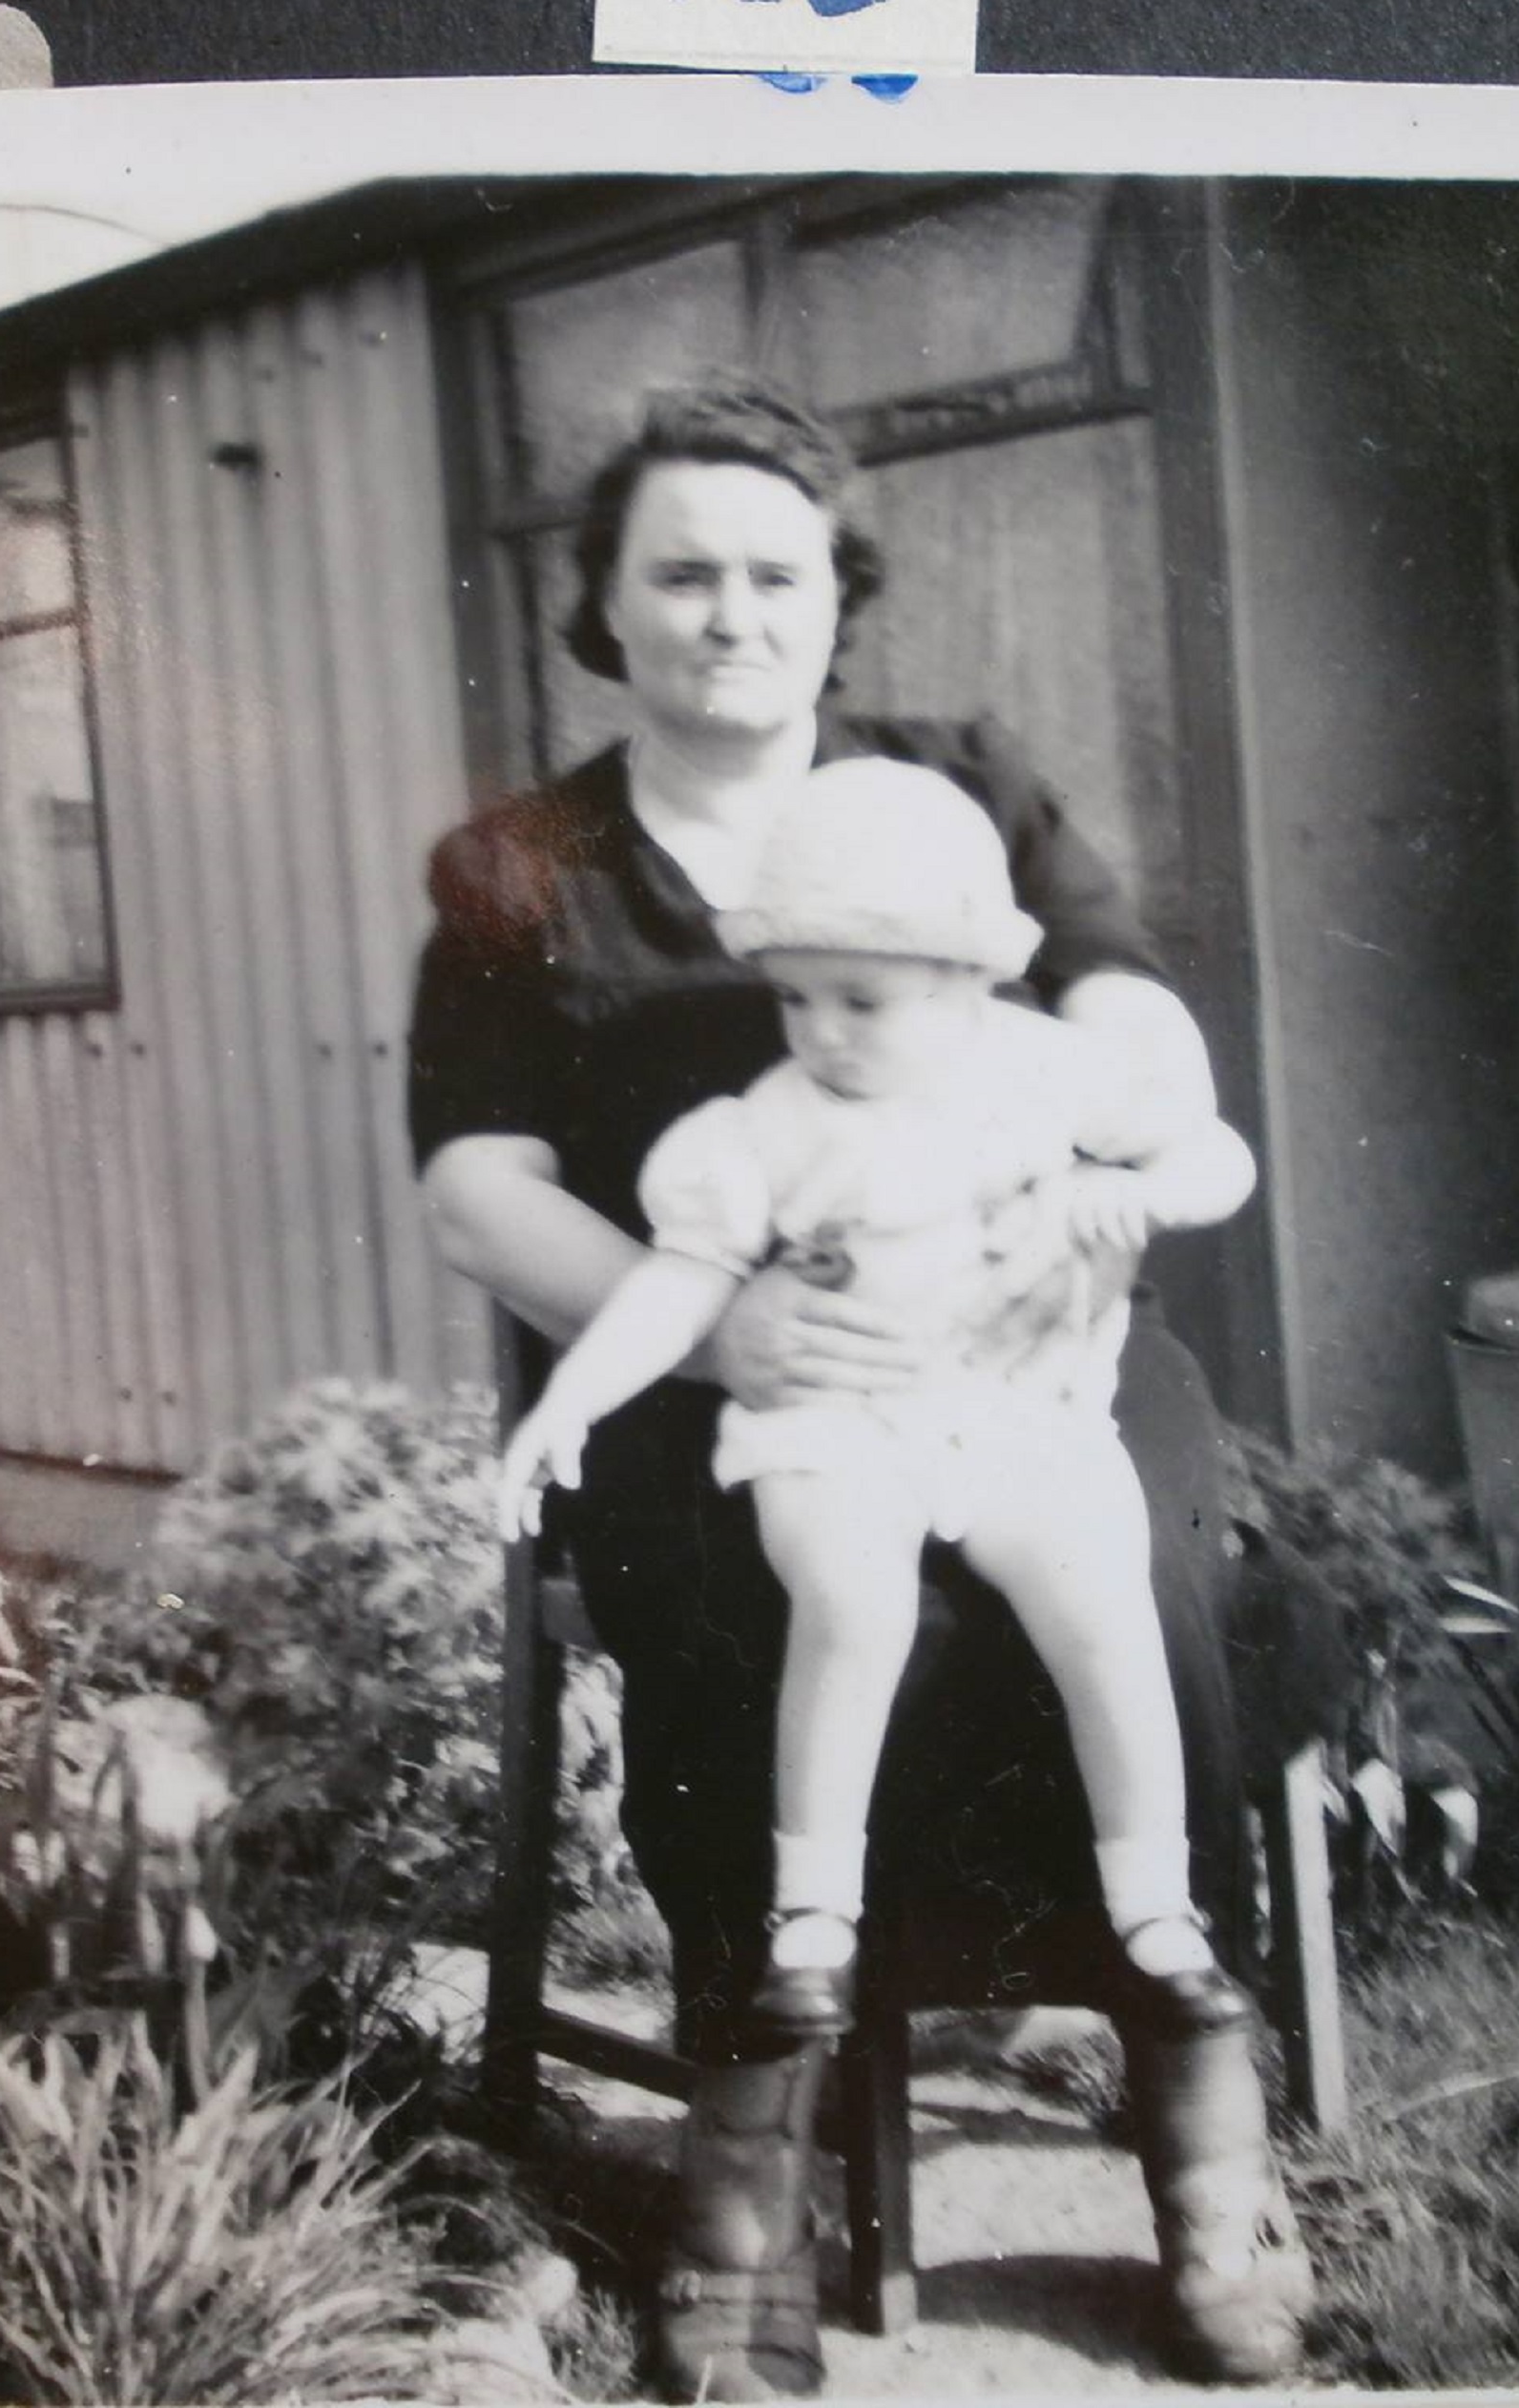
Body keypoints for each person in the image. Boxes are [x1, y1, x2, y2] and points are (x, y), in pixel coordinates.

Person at [408, 374, 1312, 2397]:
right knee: (749, 1613)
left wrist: (1100, 1185)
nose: (734, 610)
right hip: (715, 1357)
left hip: (1024, 1335)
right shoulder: (520, 862)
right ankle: (745, 2201)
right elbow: (477, 1188)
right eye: (683, 573)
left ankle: (1202, 2142)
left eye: (776, 571)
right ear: (607, 606)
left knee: (1149, 1566)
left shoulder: (959, 780)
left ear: (837, 594)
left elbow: (1134, 1016)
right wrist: (715, 1322)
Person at [494, 758, 1261, 2046]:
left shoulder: (1046, 1071)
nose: (823, 1034)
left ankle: (1154, 1912)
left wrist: (1121, 1195)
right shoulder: (769, 1128)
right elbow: (681, 1282)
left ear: (970, 983)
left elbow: (1214, 1154)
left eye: (862, 1000)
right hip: (836, 1425)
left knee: (1102, 1602)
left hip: (1020, 1414)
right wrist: (572, 1396)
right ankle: (812, 1919)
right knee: (852, 1599)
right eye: (795, 998)